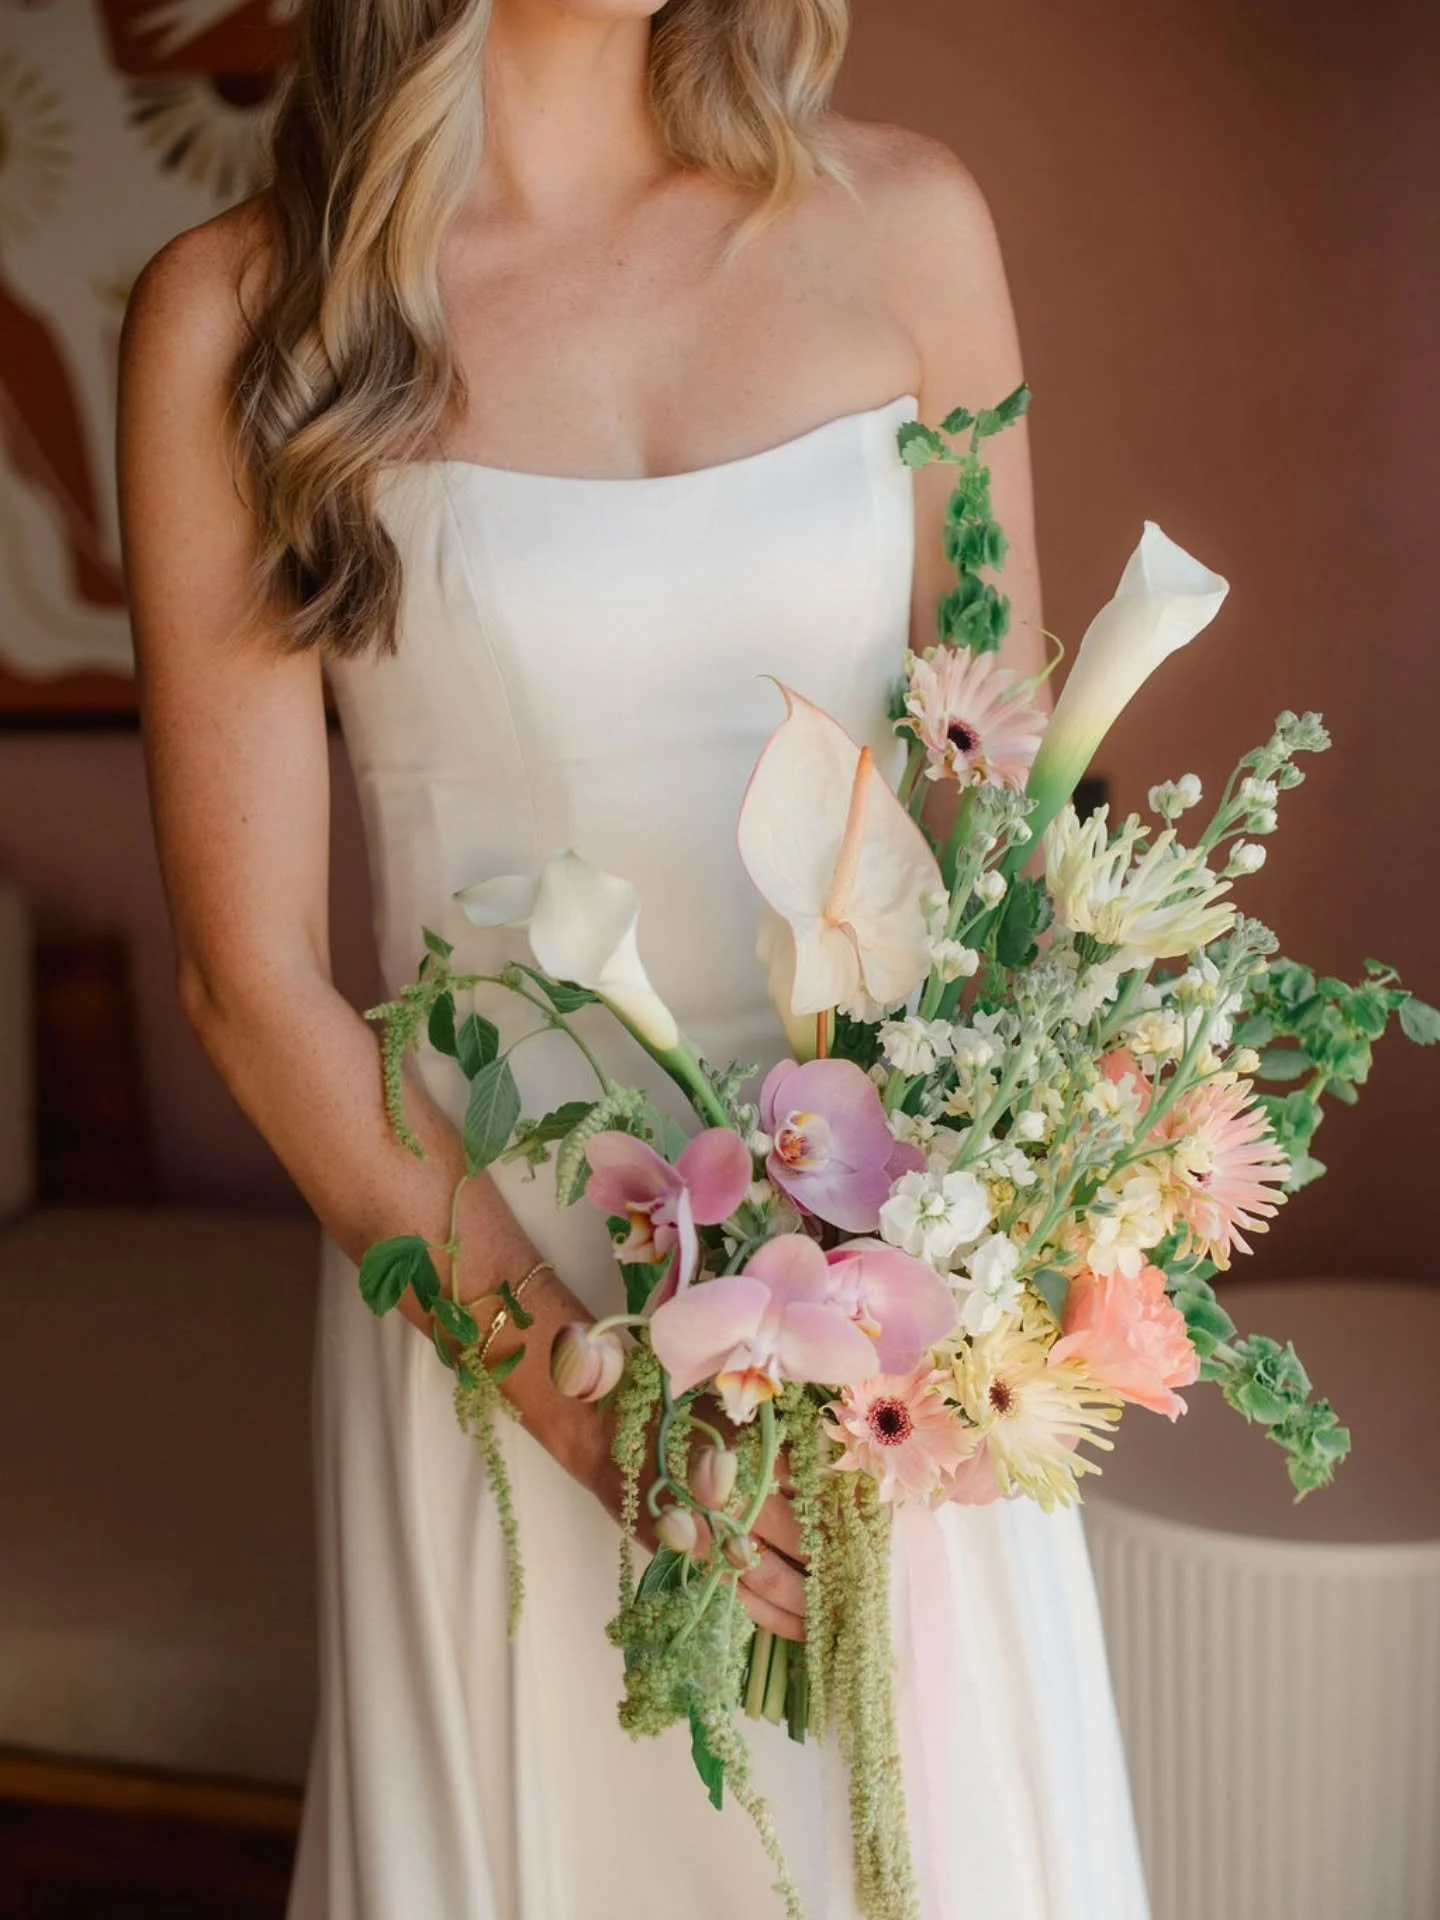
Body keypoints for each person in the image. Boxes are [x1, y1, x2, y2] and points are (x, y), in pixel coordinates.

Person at [119, 2, 1150, 1913]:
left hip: (905, 1288)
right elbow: (247, 979)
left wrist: (1029, 1199)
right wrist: (590, 1415)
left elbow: (1007, 805)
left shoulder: (908, 222)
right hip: (500, 1284)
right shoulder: (239, 319)